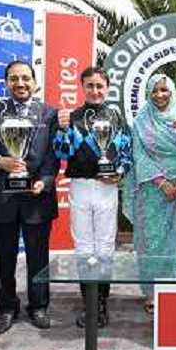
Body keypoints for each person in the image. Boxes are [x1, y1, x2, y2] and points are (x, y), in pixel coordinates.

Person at [0, 61, 60, 335]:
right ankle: (7, 308)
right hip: (2, 196)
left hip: (37, 196)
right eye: (14, 79)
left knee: (38, 257)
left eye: (25, 78)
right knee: (2, 257)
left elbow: (52, 155)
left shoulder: (49, 114)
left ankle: (39, 306)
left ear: (34, 82)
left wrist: (44, 181)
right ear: (6, 83)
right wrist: (1, 161)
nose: (20, 83)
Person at [53, 67, 132, 328]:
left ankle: (102, 302)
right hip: (81, 187)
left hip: (107, 189)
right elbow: (62, 153)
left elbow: (128, 155)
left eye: (100, 85)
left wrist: (119, 173)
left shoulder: (117, 119)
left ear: (107, 87)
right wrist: (63, 129)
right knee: (85, 247)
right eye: (90, 86)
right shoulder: (72, 118)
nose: (95, 90)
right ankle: (89, 303)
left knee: (106, 247)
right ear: (82, 87)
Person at [123, 74, 176, 313]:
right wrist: (163, 183)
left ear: (172, 91)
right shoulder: (142, 120)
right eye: (155, 90)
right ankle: (152, 292)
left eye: (164, 90)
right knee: (151, 243)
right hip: (152, 191)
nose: (160, 95)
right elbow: (139, 155)